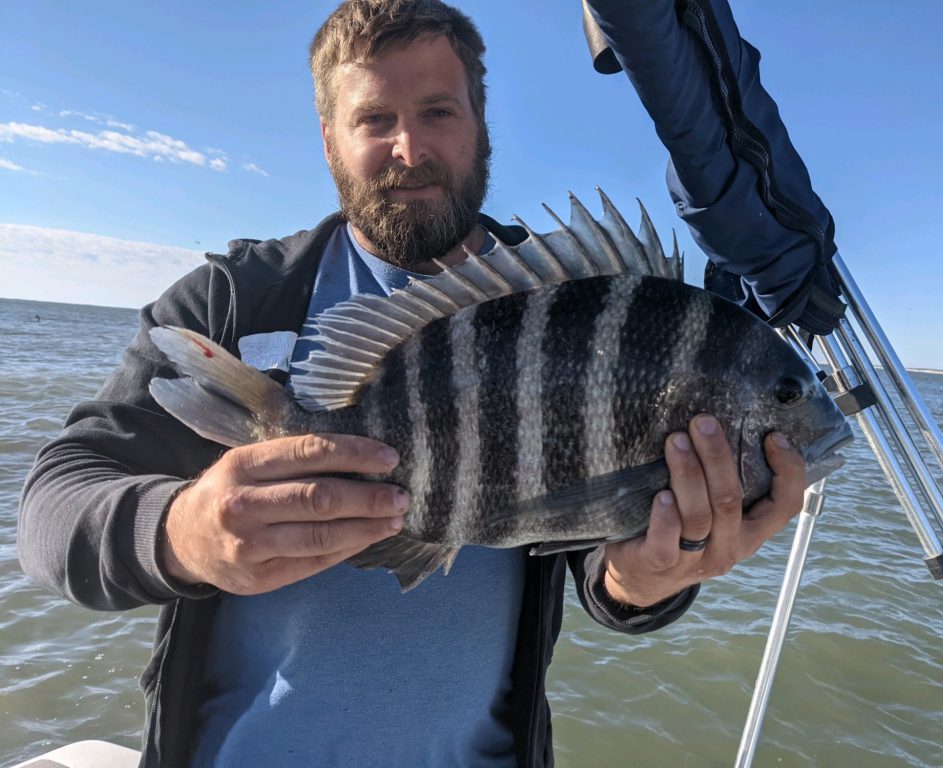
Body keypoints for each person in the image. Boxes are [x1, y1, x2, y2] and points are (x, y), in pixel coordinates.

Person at [18, 1, 811, 766]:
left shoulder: (571, 299)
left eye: (438, 111)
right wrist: (183, 531)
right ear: (329, 139)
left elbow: (606, 570)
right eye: (374, 120)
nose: (410, 148)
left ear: (480, 124)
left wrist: (646, 580)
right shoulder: (233, 301)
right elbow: (53, 508)